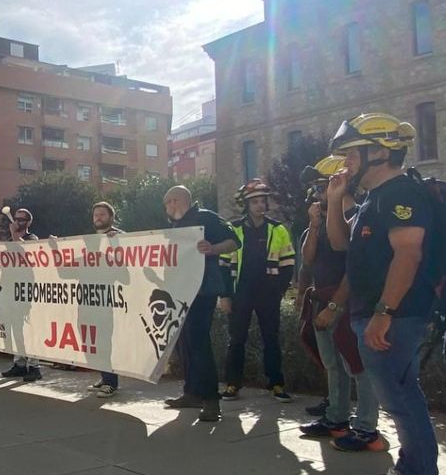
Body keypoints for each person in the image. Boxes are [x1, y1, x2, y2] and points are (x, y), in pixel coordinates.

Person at [325, 113, 445, 475]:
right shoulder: (373, 199)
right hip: (375, 313)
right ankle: (410, 474)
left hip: (395, 315)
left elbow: (408, 253)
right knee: (401, 397)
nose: (346, 164)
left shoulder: (400, 194)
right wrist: (333, 200)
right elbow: (341, 244)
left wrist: (385, 312)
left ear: (378, 152)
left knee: (402, 401)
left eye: (351, 156)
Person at [297, 156, 386, 452]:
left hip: (344, 302)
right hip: (322, 298)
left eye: (319, 186)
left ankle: (366, 427)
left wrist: (334, 306)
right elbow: (308, 260)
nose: (315, 193)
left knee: (357, 367)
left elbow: (354, 268)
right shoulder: (323, 220)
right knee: (333, 366)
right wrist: (313, 223)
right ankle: (336, 418)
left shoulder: (357, 216)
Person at [162, 186, 240, 419]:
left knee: (199, 342)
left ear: (175, 201)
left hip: (203, 289)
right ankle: (192, 392)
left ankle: (211, 400)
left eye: (167, 204)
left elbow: (234, 241)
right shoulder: (177, 225)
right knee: (185, 342)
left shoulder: (206, 217)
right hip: (181, 290)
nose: (166, 209)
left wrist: (213, 248)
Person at [219, 180, 296, 402]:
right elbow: (223, 266)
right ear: (246, 204)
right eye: (254, 201)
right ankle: (233, 384)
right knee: (236, 340)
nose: (260, 205)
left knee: (271, 339)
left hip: (267, 294)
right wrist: (225, 295)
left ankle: (276, 384)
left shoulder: (278, 229)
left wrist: (279, 290)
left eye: (263, 201)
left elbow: (288, 263)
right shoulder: (232, 229)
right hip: (239, 292)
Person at [0, 210, 44, 381]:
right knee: (16, 330)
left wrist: (14, 235)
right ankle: (19, 363)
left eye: (21, 219)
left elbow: (27, 254)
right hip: (11, 291)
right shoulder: (10, 241)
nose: (17, 222)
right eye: (15, 219)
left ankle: (34, 366)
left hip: (26, 291)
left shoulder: (32, 238)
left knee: (28, 330)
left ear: (28, 222)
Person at [86, 202, 124, 397]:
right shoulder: (91, 240)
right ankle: (104, 376)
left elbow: (129, 260)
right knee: (94, 339)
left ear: (111, 217)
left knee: (106, 339)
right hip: (91, 298)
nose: (98, 218)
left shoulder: (119, 236)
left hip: (110, 298)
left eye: (102, 214)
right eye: (95, 215)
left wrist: (116, 242)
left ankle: (111, 382)